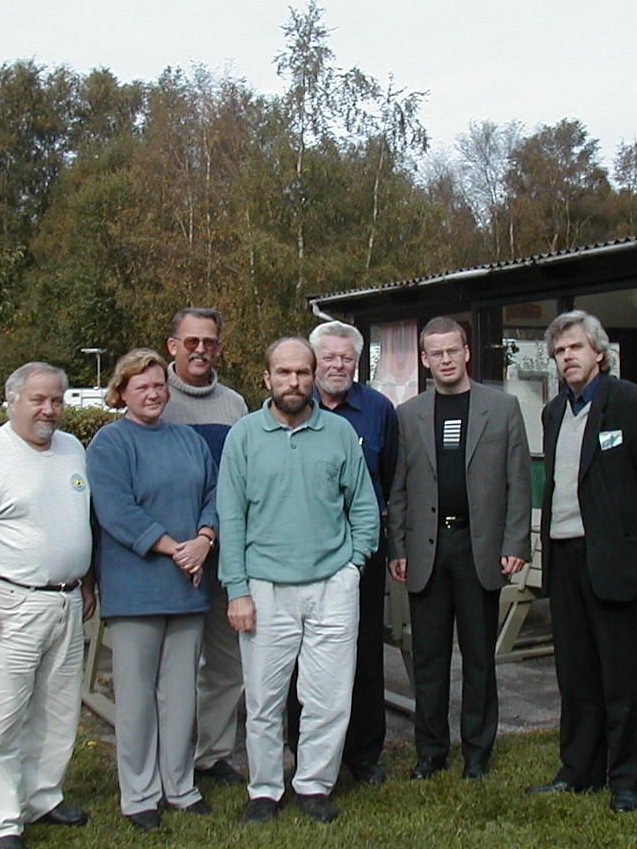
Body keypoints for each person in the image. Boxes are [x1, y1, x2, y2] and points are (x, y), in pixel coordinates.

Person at [218, 338, 379, 824]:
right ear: (266, 378)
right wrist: (237, 590)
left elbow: (364, 506)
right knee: (265, 700)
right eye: (284, 373)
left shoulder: (338, 433)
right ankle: (264, 790)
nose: (294, 382)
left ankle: (314, 784)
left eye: (303, 373)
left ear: (313, 377)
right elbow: (231, 518)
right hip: (265, 588)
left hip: (332, 584)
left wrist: (352, 567)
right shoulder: (244, 435)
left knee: (328, 697)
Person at [525, 310, 637, 813]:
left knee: (621, 676)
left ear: (599, 353)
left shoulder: (632, 404)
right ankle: (578, 770)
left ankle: (625, 779)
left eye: (574, 348)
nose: (566, 357)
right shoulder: (554, 413)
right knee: (575, 673)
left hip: (613, 560)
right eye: (559, 351)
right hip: (565, 558)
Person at [0, 362, 96, 849]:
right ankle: (3, 821)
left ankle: (42, 797)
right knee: (1, 719)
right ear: (11, 401)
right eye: (38, 400)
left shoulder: (73, 449)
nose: (49, 410)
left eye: (56, 400)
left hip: (68, 601)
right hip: (10, 603)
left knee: (57, 710)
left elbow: (80, 521)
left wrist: (87, 581)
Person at [388, 317, 531, 781]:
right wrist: (398, 546)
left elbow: (518, 482)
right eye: (436, 353)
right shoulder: (408, 414)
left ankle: (477, 752)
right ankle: (430, 752)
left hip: (480, 547)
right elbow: (399, 489)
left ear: (467, 352)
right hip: (427, 550)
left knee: (478, 657)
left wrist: (515, 541)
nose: (445, 360)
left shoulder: (503, 408)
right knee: (428, 659)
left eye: (453, 351)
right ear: (424, 359)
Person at [86, 348, 219, 831]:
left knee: (182, 693)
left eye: (159, 384)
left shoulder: (188, 440)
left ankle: (179, 785)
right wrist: (172, 548)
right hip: (137, 587)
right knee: (137, 695)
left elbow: (215, 494)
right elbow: (116, 511)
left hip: (188, 584)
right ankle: (139, 793)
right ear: (121, 391)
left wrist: (204, 540)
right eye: (141, 386)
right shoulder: (109, 443)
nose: (153, 393)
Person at [292, 320, 399, 785]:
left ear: (358, 362)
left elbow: (390, 478)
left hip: (360, 555)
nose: (338, 365)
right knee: (302, 657)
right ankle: (301, 749)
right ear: (315, 362)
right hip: (300, 553)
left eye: (347, 358)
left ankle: (363, 753)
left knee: (364, 653)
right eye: (330, 357)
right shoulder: (292, 404)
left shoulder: (378, 410)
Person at [160, 306, 250, 787]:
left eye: (209, 342)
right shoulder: (154, 399)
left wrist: (211, 539)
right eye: (190, 341)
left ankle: (211, 753)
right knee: (170, 663)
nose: (200, 350)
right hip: (169, 557)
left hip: (222, 551)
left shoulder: (235, 406)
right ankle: (164, 753)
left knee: (225, 660)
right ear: (173, 346)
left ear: (219, 347)